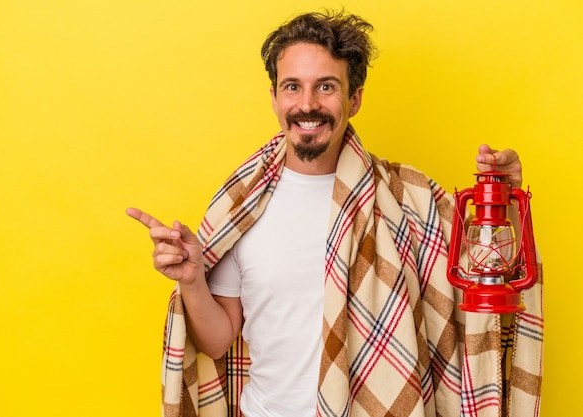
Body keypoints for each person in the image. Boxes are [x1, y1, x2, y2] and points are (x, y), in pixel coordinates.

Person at [127, 9, 543, 417]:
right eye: (292, 87)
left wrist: (503, 203)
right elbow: (218, 342)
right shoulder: (241, 206)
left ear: (354, 98)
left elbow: (486, 284)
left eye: (326, 87)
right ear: (274, 98)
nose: (307, 104)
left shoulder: (406, 199)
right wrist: (193, 280)